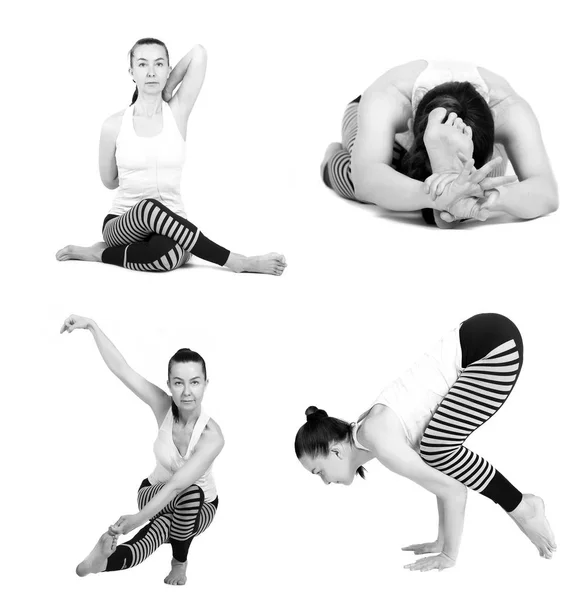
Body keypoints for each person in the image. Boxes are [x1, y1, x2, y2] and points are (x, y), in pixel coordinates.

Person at [295, 313, 556, 571]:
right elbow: (443, 480)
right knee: (436, 451)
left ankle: (523, 507)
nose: (326, 482)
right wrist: (442, 540)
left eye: (319, 472)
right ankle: (521, 506)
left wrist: (449, 556)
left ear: (336, 451)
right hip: (488, 337)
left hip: (494, 350)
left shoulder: (380, 440)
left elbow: (454, 491)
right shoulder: (372, 431)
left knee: (436, 449)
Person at [56, 38, 286, 275]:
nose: (152, 72)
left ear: (168, 69)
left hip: (173, 225)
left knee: (167, 257)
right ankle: (238, 262)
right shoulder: (113, 125)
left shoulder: (177, 112)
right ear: (132, 72)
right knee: (148, 208)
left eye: (159, 64)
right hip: (122, 224)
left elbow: (199, 53)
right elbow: (109, 181)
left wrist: (168, 88)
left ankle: (100, 253)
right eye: (143, 65)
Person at [61, 314, 224, 585]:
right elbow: (123, 369)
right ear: (169, 384)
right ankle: (169, 563)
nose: (186, 392)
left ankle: (109, 564)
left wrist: (137, 520)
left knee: (170, 517)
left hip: (200, 507)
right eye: (178, 382)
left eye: (195, 382)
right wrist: (92, 326)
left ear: (206, 384)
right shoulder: (163, 406)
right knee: (168, 515)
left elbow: (177, 486)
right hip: (152, 493)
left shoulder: (212, 437)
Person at [321, 60, 558, 227]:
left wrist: (484, 194)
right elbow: (366, 180)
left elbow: (547, 193)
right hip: (383, 128)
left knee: (485, 175)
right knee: (357, 180)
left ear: (495, 126)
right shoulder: (388, 98)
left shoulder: (508, 110)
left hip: (475, 146)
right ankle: (331, 157)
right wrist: (437, 197)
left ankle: (454, 173)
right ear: (413, 121)